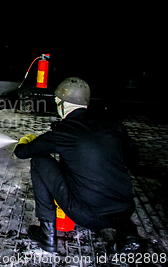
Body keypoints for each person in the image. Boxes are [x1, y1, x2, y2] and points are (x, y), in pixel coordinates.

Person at [14, 77, 139, 253]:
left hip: (88, 215)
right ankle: (127, 234)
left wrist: (24, 142)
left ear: (62, 104)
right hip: (125, 210)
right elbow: (133, 159)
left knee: (39, 160)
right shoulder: (113, 125)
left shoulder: (64, 131)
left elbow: (22, 152)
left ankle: (47, 233)